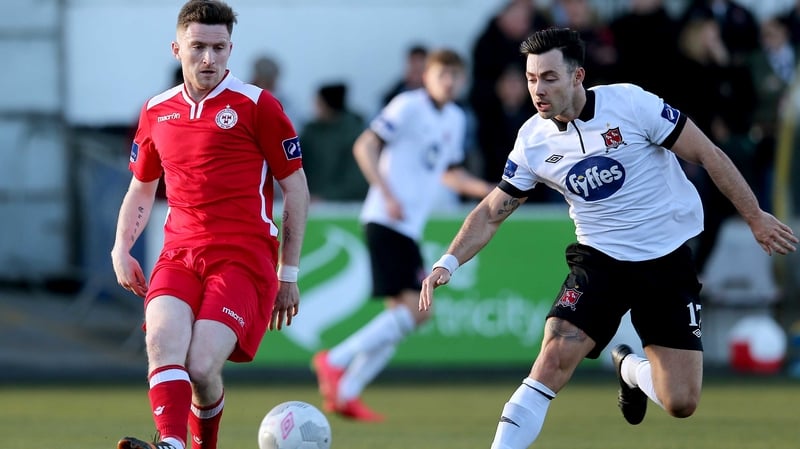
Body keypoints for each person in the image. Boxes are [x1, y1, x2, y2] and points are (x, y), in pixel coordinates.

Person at [419, 28, 798, 449]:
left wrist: (755, 216)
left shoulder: (632, 104)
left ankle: (630, 369)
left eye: (549, 78)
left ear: (577, 76)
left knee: (681, 402)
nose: (538, 90)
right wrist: (448, 261)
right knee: (553, 356)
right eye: (531, 79)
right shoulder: (532, 141)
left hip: (665, 258)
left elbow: (708, 153)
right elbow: (492, 211)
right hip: (599, 260)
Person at [110, 2, 310, 449]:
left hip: (243, 260)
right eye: (198, 47)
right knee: (162, 342)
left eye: (219, 48)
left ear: (230, 50)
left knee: (201, 368)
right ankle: (172, 443)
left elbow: (296, 188)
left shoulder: (258, 105)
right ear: (176, 49)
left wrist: (288, 273)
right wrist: (121, 247)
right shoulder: (156, 111)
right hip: (179, 254)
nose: (208, 58)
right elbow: (141, 189)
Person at [311, 48, 494, 422]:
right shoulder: (408, 105)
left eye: (455, 75)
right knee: (419, 311)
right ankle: (336, 361)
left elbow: (450, 173)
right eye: (441, 74)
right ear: (426, 77)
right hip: (385, 220)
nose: (448, 82)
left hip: (407, 227)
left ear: (463, 80)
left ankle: (346, 392)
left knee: (403, 316)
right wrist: (386, 193)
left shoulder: (456, 118)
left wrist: (489, 191)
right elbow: (364, 145)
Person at [300, 82, 368, 202]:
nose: (315, 107)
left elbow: (356, 180)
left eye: (319, 103)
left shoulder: (353, 134)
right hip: (311, 201)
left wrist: (326, 197)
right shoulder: (311, 131)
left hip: (345, 206)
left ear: (328, 105)